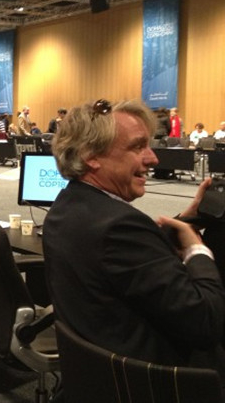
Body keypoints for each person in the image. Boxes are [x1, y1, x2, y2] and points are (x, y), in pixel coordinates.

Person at [43, 99, 225, 384]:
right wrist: (197, 250)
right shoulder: (120, 226)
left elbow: (121, 260)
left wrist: (186, 220)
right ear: (91, 155)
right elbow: (206, 322)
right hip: (161, 382)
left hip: (100, 375)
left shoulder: (66, 206)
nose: (153, 159)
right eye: (138, 147)